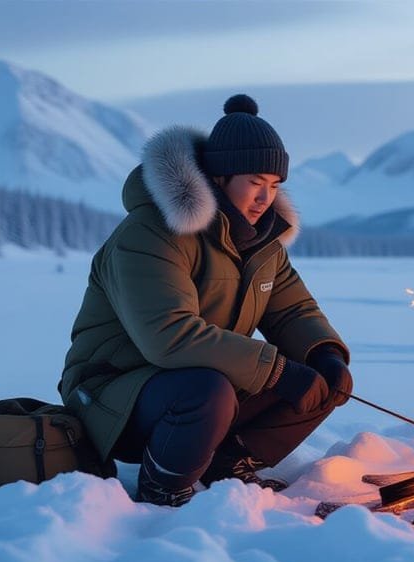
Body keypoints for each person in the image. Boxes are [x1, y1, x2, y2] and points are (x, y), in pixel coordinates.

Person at [59, 94, 352, 507]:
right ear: (218, 178)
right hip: (112, 391)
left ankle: (227, 463)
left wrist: (324, 355)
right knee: (207, 388)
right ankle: (164, 486)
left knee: (327, 380)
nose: (264, 198)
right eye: (254, 182)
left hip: (204, 387)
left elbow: (293, 310)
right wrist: (276, 371)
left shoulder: (264, 244)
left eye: (273, 186)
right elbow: (170, 335)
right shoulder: (151, 233)